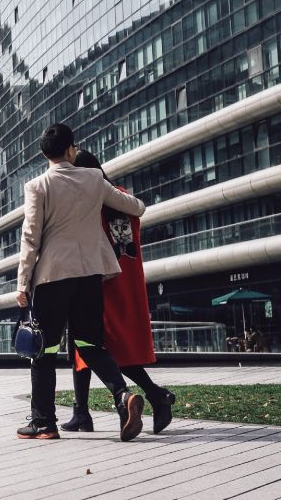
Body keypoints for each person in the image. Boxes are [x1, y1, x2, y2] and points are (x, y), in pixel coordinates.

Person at [15, 123, 148, 441]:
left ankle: (43, 422)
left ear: (44, 153)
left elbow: (30, 238)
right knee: (90, 345)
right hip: (90, 276)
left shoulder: (38, 186)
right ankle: (122, 397)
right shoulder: (93, 179)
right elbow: (136, 207)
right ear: (71, 149)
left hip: (53, 277)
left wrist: (22, 284)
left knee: (44, 350)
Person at [62, 149, 175, 436]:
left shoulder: (93, 200)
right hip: (128, 281)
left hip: (102, 282)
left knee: (97, 347)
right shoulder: (121, 197)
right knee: (90, 346)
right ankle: (81, 412)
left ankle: (154, 395)